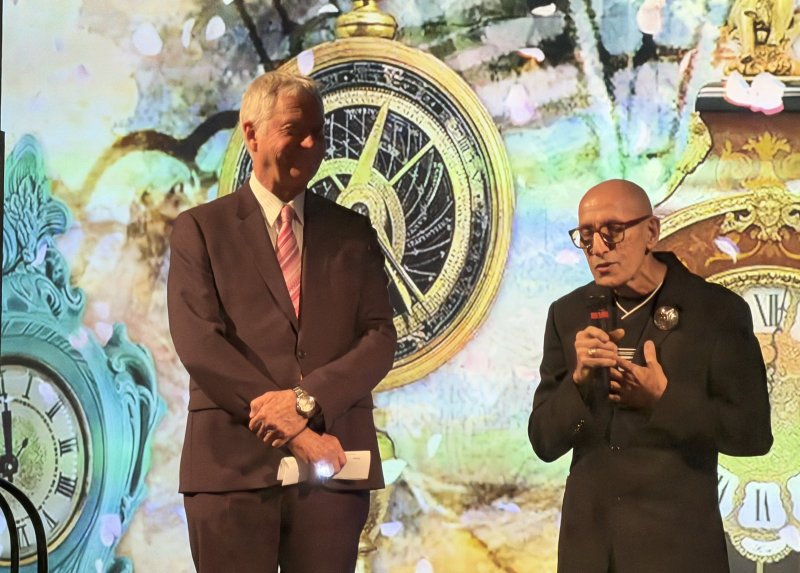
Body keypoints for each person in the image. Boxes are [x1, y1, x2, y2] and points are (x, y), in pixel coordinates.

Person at [167, 71, 397, 572]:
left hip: (333, 473)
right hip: (232, 471)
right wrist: (297, 431)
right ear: (252, 134)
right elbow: (201, 344)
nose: (313, 144)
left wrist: (305, 400)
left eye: (320, 131)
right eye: (296, 130)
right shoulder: (201, 230)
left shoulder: (352, 232)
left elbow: (379, 338)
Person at [528, 179, 772, 573]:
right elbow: (543, 440)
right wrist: (577, 381)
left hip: (676, 550)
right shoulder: (568, 313)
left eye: (612, 232)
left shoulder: (715, 312)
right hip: (589, 550)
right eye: (586, 236)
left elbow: (752, 435)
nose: (598, 249)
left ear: (651, 231)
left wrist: (664, 400)